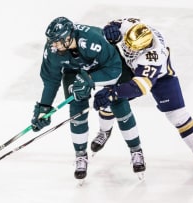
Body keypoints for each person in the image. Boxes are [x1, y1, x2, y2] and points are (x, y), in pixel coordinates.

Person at [92, 17, 193, 176]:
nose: (128, 49)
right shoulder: (132, 27)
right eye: (127, 44)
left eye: (133, 48)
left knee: (178, 116)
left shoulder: (153, 57)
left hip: (160, 78)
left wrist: (113, 92)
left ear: (144, 48)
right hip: (132, 68)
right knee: (109, 104)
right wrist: (110, 29)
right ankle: (104, 131)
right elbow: (114, 24)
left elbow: (139, 87)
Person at [31, 16, 146, 182]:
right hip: (75, 71)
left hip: (108, 66)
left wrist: (90, 79)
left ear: (68, 38)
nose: (53, 45)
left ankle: (136, 150)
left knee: (118, 101)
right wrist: (44, 108)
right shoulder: (52, 50)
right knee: (76, 104)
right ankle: (80, 155)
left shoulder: (94, 39)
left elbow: (115, 69)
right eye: (51, 41)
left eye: (57, 41)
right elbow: (51, 80)